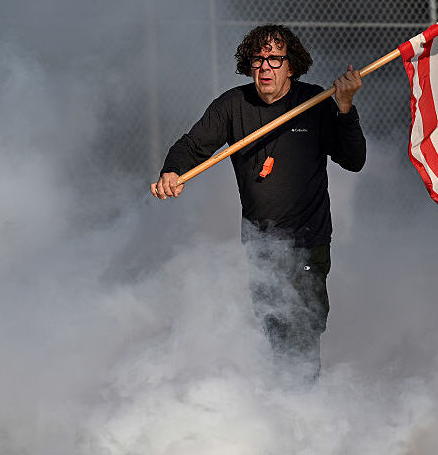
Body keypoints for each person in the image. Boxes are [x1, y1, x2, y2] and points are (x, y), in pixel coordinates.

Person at [150, 24, 366, 383]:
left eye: (274, 60)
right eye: (258, 60)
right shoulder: (234, 106)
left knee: (303, 331)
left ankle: (304, 409)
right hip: (261, 244)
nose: (265, 68)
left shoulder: (314, 103)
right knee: (275, 331)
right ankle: (281, 408)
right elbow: (191, 146)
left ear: (291, 66)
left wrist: (345, 109)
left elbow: (354, 158)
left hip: (308, 242)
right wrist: (172, 171)